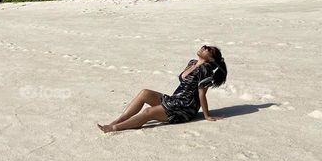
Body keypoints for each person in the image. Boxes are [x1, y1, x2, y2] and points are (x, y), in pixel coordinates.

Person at [97, 45, 228, 133]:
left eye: (208, 49)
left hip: (185, 108)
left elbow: (202, 94)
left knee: (148, 112)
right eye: (205, 46)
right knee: (145, 93)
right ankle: (120, 120)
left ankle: (114, 127)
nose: (204, 46)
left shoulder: (206, 70)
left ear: (211, 59)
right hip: (175, 100)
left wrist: (206, 116)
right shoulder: (192, 63)